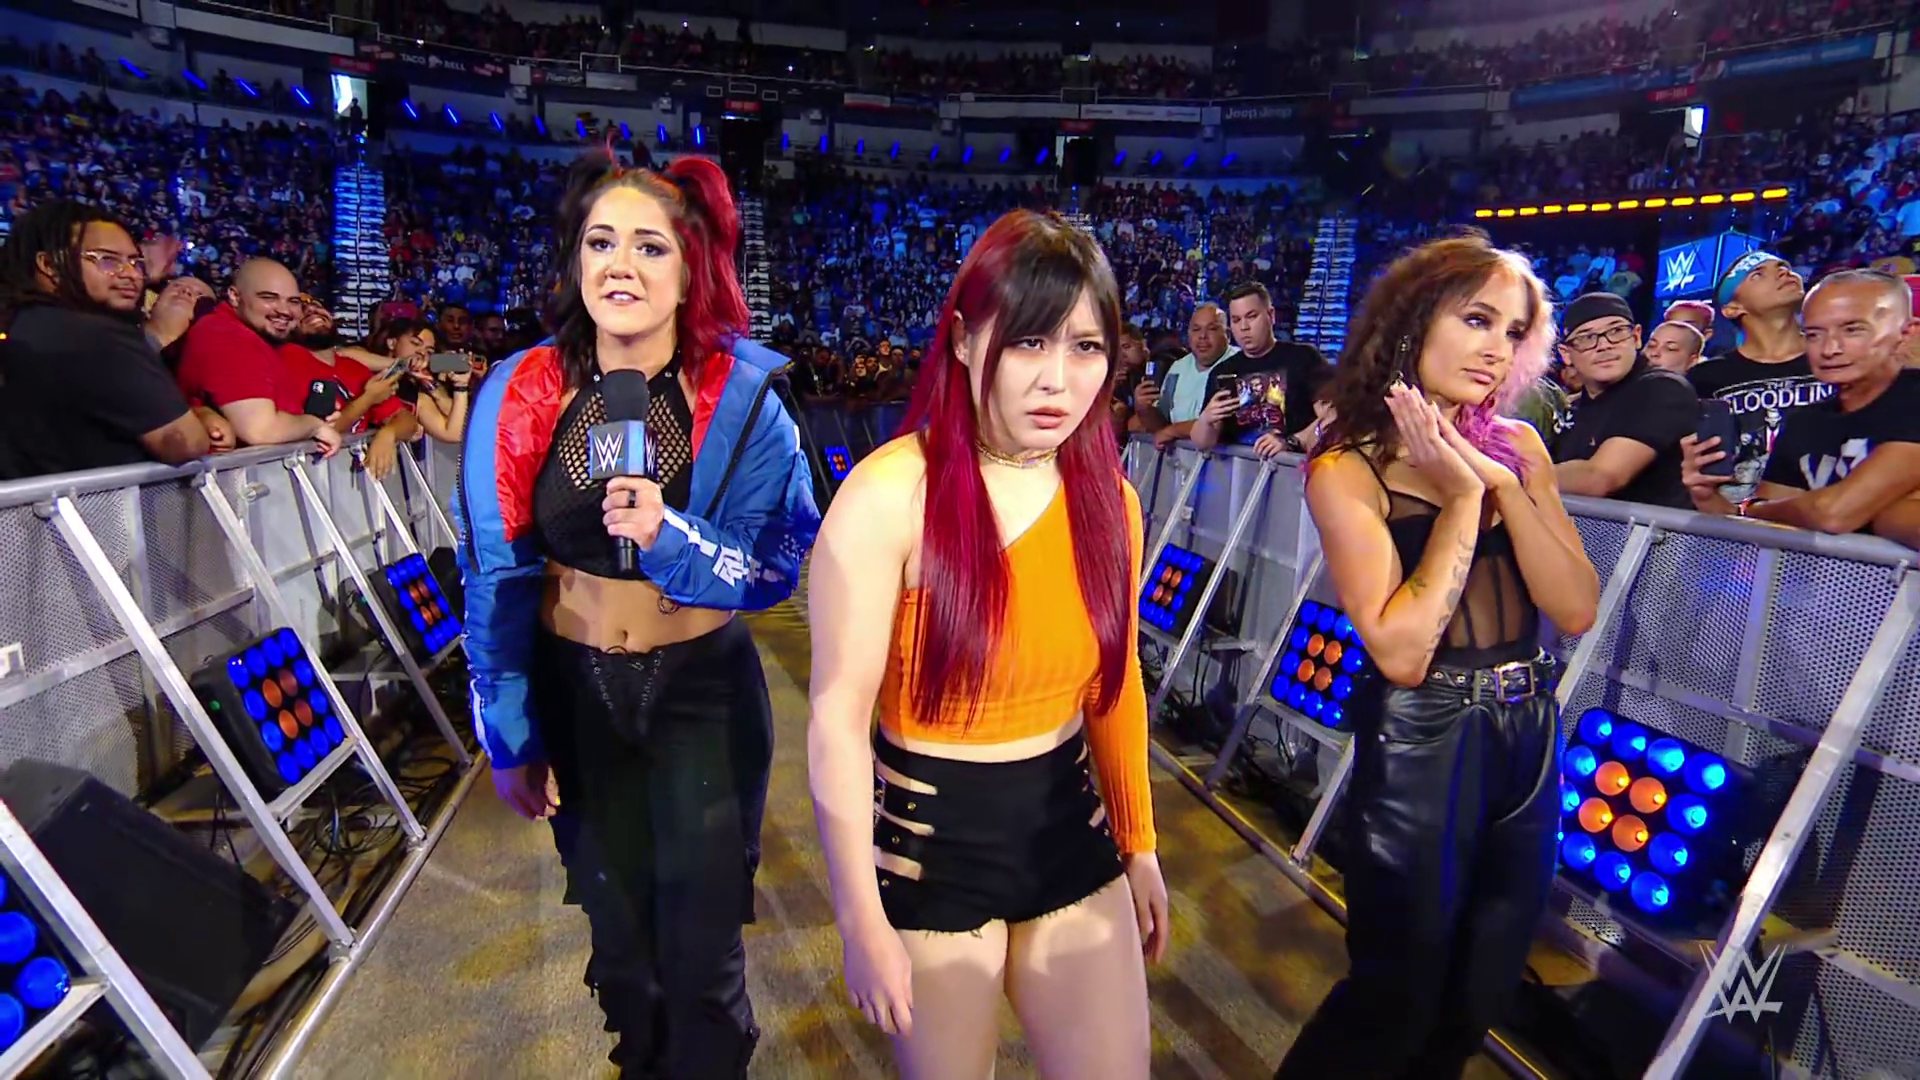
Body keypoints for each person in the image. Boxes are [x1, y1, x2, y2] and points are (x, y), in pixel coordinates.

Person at [458, 149, 820, 1079]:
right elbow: (495, 572)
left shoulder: (747, 402)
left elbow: (775, 564)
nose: (620, 265)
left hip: (702, 697)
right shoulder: (521, 391)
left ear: (692, 270)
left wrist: (670, 538)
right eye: (601, 242)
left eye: (650, 247)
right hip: (575, 694)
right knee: (621, 950)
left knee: (700, 957)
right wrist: (507, 726)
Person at [807, 209, 1169, 1080]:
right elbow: (836, 720)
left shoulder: (1111, 503)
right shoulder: (888, 497)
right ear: (967, 341)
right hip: (932, 848)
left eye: (1086, 347)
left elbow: (1114, 685)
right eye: (1030, 341)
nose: (1058, 380)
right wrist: (859, 918)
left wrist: (1139, 841)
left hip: (1068, 834)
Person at [1276, 232, 1599, 1080]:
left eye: (1514, 330)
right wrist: (1459, 500)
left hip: (1530, 730)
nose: (1498, 348)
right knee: (1396, 995)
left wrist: (1501, 483)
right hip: (1425, 733)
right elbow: (1400, 651)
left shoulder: (1521, 448)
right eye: (1477, 320)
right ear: (1414, 322)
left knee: (1479, 994)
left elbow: (1574, 606)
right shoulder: (1348, 466)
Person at [0, 199, 232, 479]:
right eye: (108, 260)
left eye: (135, 262)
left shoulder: (22, 322)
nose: (132, 274)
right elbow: (184, 443)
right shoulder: (94, 335)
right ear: (50, 264)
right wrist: (201, 422)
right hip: (99, 506)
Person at [1682, 269, 1920, 535]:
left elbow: (1832, 514)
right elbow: (1762, 534)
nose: (1830, 349)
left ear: (1906, 333)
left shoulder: (1913, 399)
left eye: (1853, 330)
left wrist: (1758, 509)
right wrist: (1707, 497)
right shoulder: (1806, 422)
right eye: (1814, 334)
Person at [1551, 292, 1700, 509]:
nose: (1604, 345)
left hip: (1655, 531)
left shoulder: (1663, 388)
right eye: (1586, 337)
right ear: (1566, 354)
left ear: (1636, 337)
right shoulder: (1574, 407)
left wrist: (1511, 476)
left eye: (1616, 332)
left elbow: (1600, 478)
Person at [1191, 281, 1335, 458]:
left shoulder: (1304, 358)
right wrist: (1206, 419)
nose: (1244, 327)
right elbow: (1202, 442)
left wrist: (1293, 441)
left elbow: (1333, 415)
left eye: (1251, 316)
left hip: (1293, 470)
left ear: (1271, 315)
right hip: (1239, 471)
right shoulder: (1223, 371)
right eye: (1236, 320)